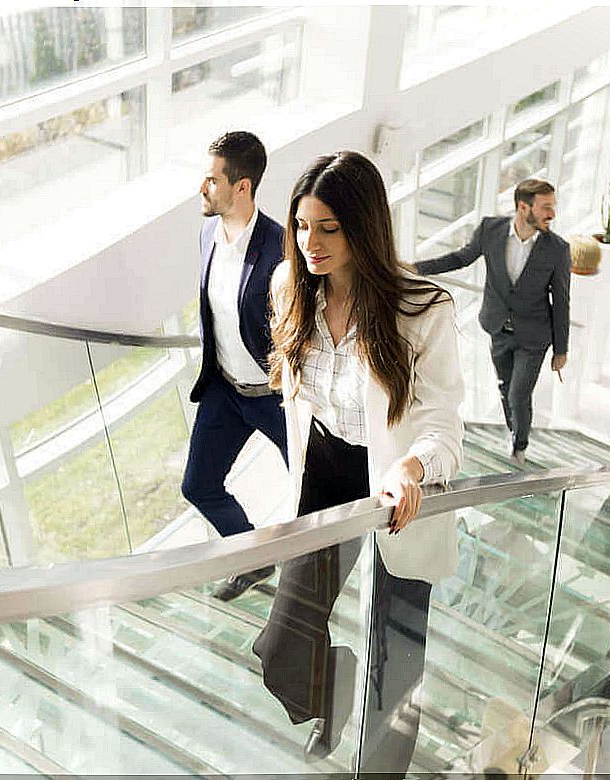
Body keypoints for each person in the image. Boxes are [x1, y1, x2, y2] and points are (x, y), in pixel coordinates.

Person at [251, 151, 464, 774]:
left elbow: (445, 417)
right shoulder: (290, 287)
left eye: (328, 228)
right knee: (283, 652)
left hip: (398, 485)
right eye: (300, 225)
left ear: (363, 229)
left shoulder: (423, 310)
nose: (308, 242)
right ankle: (331, 682)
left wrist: (413, 468)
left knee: (398, 663)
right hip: (324, 472)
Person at [181, 131, 287, 601]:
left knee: (314, 494)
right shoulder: (208, 233)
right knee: (199, 486)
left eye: (211, 180)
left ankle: (311, 586)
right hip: (224, 390)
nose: (202, 189)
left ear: (242, 187)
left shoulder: (282, 248)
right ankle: (254, 557)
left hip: (276, 396)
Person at [416, 179, 570, 466]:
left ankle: (520, 447)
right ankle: (514, 432)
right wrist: (416, 269)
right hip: (498, 328)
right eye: (546, 207)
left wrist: (561, 351)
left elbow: (561, 301)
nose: (552, 214)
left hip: (534, 337)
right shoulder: (490, 230)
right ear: (524, 207)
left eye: (553, 207)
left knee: (518, 394)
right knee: (504, 387)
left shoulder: (557, 249)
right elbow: (460, 258)